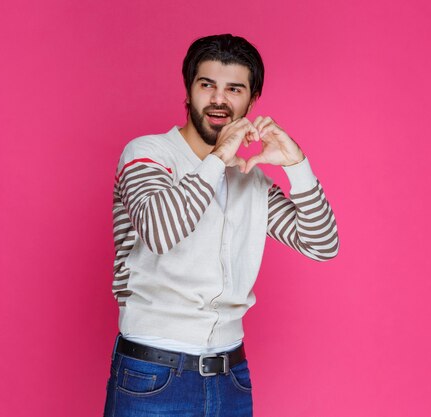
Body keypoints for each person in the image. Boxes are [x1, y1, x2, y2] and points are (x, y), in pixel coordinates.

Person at [104, 34, 339, 417]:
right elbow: (160, 232)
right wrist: (218, 157)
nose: (219, 99)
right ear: (189, 91)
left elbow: (322, 245)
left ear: (251, 101)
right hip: (153, 373)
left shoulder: (249, 178)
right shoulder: (148, 154)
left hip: (230, 377)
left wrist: (297, 165)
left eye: (234, 89)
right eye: (207, 85)